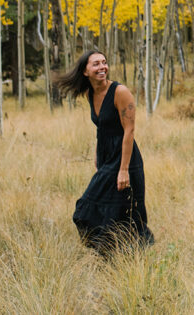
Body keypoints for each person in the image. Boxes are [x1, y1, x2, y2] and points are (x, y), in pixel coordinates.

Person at [57, 49, 154, 255]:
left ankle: (140, 258)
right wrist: (97, 154)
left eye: (104, 62)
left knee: (129, 210)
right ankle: (109, 252)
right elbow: (102, 128)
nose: (102, 67)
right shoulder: (90, 93)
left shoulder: (120, 92)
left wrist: (124, 170)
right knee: (92, 209)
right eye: (96, 64)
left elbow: (129, 131)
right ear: (85, 72)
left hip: (125, 158)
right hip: (106, 157)